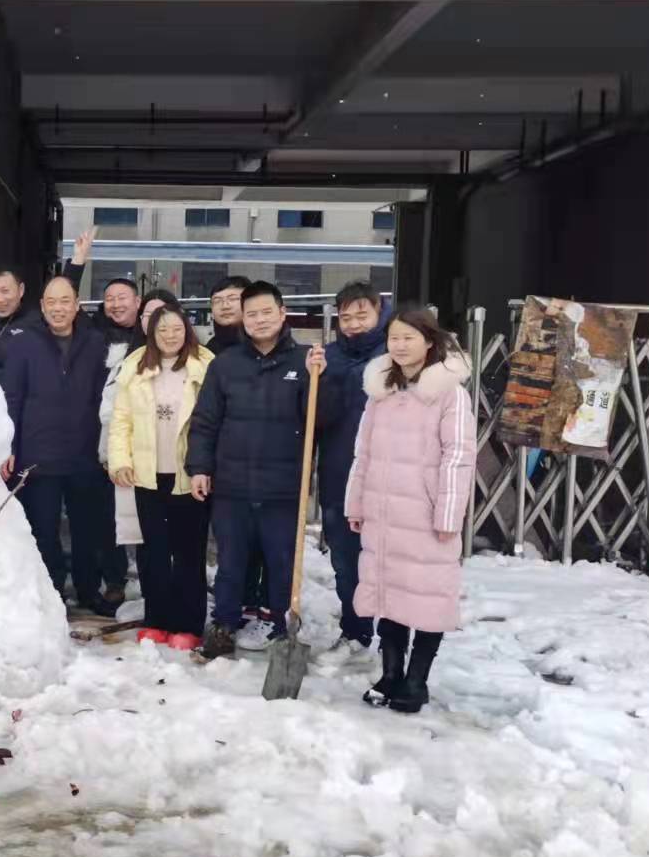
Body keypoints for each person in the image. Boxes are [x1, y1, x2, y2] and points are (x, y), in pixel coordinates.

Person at [186, 280, 330, 658]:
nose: (260, 320)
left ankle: (283, 626)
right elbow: (205, 421)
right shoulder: (225, 364)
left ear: (282, 314)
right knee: (231, 561)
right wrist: (199, 467)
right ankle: (224, 624)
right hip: (231, 484)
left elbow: (321, 419)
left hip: (283, 486)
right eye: (252, 314)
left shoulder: (306, 361)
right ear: (243, 319)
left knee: (282, 561)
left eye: (267, 312)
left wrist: (318, 379)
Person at [345, 306, 475, 713]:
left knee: (429, 596)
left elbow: (459, 456)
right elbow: (363, 453)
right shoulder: (381, 392)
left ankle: (416, 681)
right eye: (394, 338)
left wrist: (448, 513)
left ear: (429, 342)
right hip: (384, 512)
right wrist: (356, 501)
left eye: (409, 338)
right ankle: (390, 674)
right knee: (390, 592)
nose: (400, 346)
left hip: (426, 513)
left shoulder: (450, 393)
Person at [0, 274, 111, 614]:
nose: (58, 308)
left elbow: (105, 400)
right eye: (51, 302)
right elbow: (12, 398)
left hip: (84, 452)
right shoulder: (23, 343)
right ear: (42, 306)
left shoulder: (95, 343)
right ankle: (52, 591)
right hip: (39, 455)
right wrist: (8, 446)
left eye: (65, 301)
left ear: (76, 306)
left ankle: (89, 590)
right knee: (44, 529)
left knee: (86, 529)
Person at [108, 306, 215, 648]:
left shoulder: (205, 365)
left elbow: (214, 420)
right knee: (152, 551)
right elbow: (121, 420)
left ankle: (189, 624)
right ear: (151, 334)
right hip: (146, 474)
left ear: (187, 330)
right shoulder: (136, 365)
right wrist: (120, 460)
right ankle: (157, 619)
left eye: (176, 329)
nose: (170, 336)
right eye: (162, 330)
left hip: (189, 474)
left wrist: (207, 466)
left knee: (188, 551)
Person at [316, 281, 390, 656]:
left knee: (386, 560)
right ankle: (355, 629)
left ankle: (391, 636)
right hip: (339, 475)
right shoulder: (328, 357)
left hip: (387, 478)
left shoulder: (395, 355)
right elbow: (313, 417)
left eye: (362, 315)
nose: (353, 323)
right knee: (345, 560)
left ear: (379, 312)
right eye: (346, 317)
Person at [91, 274, 146, 610]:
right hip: (100, 436)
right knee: (105, 513)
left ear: (137, 301)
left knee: (144, 511)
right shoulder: (94, 335)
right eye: (109, 299)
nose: (115, 304)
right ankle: (114, 579)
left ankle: (152, 577)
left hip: (142, 436)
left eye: (122, 298)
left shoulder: (150, 336)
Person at [206, 276, 252, 354]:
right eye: (217, 301)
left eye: (233, 299)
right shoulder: (207, 353)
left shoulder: (266, 344)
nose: (225, 306)